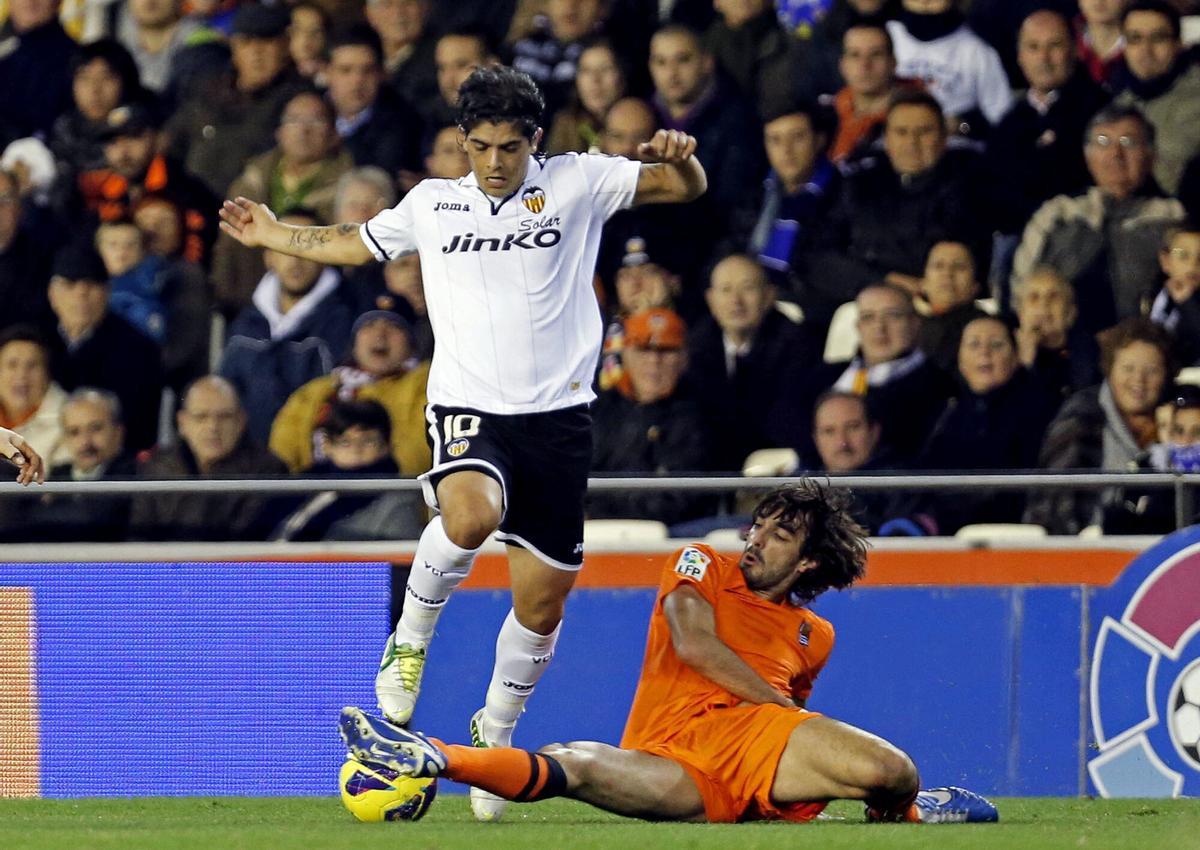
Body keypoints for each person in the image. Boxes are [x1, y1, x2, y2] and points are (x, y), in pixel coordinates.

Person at [218, 63, 707, 822]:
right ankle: (409, 640)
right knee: (471, 516)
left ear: (534, 139)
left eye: (510, 147)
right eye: (480, 147)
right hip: (468, 406)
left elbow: (683, 190)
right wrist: (274, 233)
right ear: (462, 141)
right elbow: (355, 241)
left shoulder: (579, 180)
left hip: (559, 419)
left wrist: (681, 159)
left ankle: (496, 734)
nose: (495, 163)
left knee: (541, 604)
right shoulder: (434, 203)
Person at [339, 482, 999, 826]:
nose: (756, 538)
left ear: (809, 562)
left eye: (780, 534)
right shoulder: (700, 561)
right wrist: (782, 710)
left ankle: (908, 810)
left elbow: (788, 735)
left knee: (892, 770)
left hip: (753, 743)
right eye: (760, 524)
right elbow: (693, 642)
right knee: (580, 763)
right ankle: (433, 755)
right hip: (672, 750)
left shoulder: (814, 635)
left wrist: (787, 736)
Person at [1011, 104, 1185, 336]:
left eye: (1128, 142)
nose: (1115, 154)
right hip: (1062, 345)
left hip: (1149, 344)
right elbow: (1021, 289)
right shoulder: (1058, 213)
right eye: (1103, 142)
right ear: (1087, 154)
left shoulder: (1173, 218)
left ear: (1151, 155)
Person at [1025, 317, 1174, 534]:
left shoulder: (1180, 417)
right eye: (1128, 368)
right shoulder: (1081, 416)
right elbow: (1056, 503)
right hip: (1085, 543)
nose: (1139, 380)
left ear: (1166, 375)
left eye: (1151, 370)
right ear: (1110, 370)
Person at [686, 255, 818, 471]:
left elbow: (785, 421)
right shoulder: (695, 346)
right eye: (726, 290)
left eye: (747, 288)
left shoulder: (798, 345)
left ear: (769, 295)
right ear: (711, 300)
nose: (736, 301)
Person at [590, 307, 714, 526]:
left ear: (684, 358)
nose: (654, 361)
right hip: (594, 529)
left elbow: (682, 499)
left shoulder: (703, 416)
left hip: (670, 533)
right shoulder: (598, 409)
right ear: (625, 354)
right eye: (643, 349)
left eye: (666, 351)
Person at [269, 309, 430, 475]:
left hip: (387, 484)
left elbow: (421, 451)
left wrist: (379, 478)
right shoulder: (316, 390)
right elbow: (283, 450)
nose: (380, 335)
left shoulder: (426, 385)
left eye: (394, 326)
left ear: (411, 341)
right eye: (369, 326)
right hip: (313, 486)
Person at [130, 375, 287, 540]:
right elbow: (137, 537)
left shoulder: (268, 471)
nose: (213, 427)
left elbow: (246, 539)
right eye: (201, 417)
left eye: (225, 416)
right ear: (182, 423)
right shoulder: (156, 466)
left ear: (241, 421)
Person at [272, 398, 425, 541]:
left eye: (368, 441)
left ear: (386, 446)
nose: (356, 449)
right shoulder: (302, 485)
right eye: (345, 442)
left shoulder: (398, 498)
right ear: (327, 446)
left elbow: (395, 553)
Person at [14, 387, 136, 541]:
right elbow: (29, 520)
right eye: (74, 432)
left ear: (118, 432)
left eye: (96, 428)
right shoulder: (58, 475)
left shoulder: (133, 473)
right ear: (64, 439)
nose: (85, 442)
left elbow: (98, 520)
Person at [1112, 1, 1200, 197]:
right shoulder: (1116, 102)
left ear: (1178, 43)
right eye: (1135, 39)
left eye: (1158, 38)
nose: (1146, 50)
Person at [1149, 225, 1200, 367]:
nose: (1193, 265)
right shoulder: (1153, 297)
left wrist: (1186, 303)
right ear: (1165, 261)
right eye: (1183, 256)